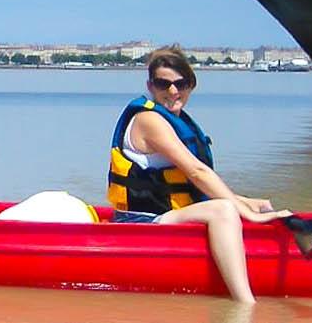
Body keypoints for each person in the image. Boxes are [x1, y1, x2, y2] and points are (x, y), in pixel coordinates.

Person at [107, 46, 293, 303]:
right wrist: (242, 210)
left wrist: (246, 203)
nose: (173, 91)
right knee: (224, 210)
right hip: (140, 222)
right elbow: (196, 172)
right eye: (163, 84)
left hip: (166, 215)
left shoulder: (176, 119)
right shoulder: (149, 120)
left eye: (181, 83)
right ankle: (244, 304)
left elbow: (187, 183)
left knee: (245, 205)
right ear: (150, 86)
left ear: (191, 85)